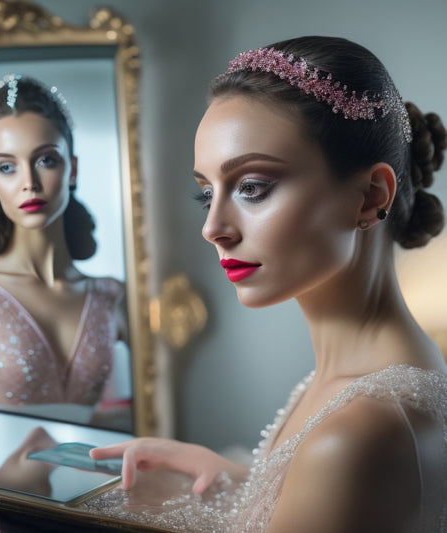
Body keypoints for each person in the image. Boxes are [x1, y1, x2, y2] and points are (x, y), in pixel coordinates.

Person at [80, 36, 447, 532]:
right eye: (206, 193)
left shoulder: (360, 433)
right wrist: (241, 482)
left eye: (252, 187)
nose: (213, 228)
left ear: (369, 197)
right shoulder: (363, 382)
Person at [0, 75, 128, 424]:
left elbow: (155, 410)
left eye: (46, 160)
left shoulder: (113, 294)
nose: (28, 181)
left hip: (101, 480)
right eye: (6, 167)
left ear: (72, 169)